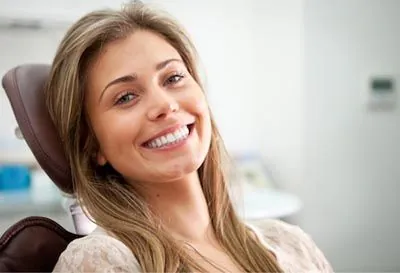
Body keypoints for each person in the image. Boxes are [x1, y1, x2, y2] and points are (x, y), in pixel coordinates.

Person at [46, 2, 332, 272]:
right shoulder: (100, 261)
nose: (165, 105)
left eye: (173, 78)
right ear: (91, 143)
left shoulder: (292, 244)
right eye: (126, 97)